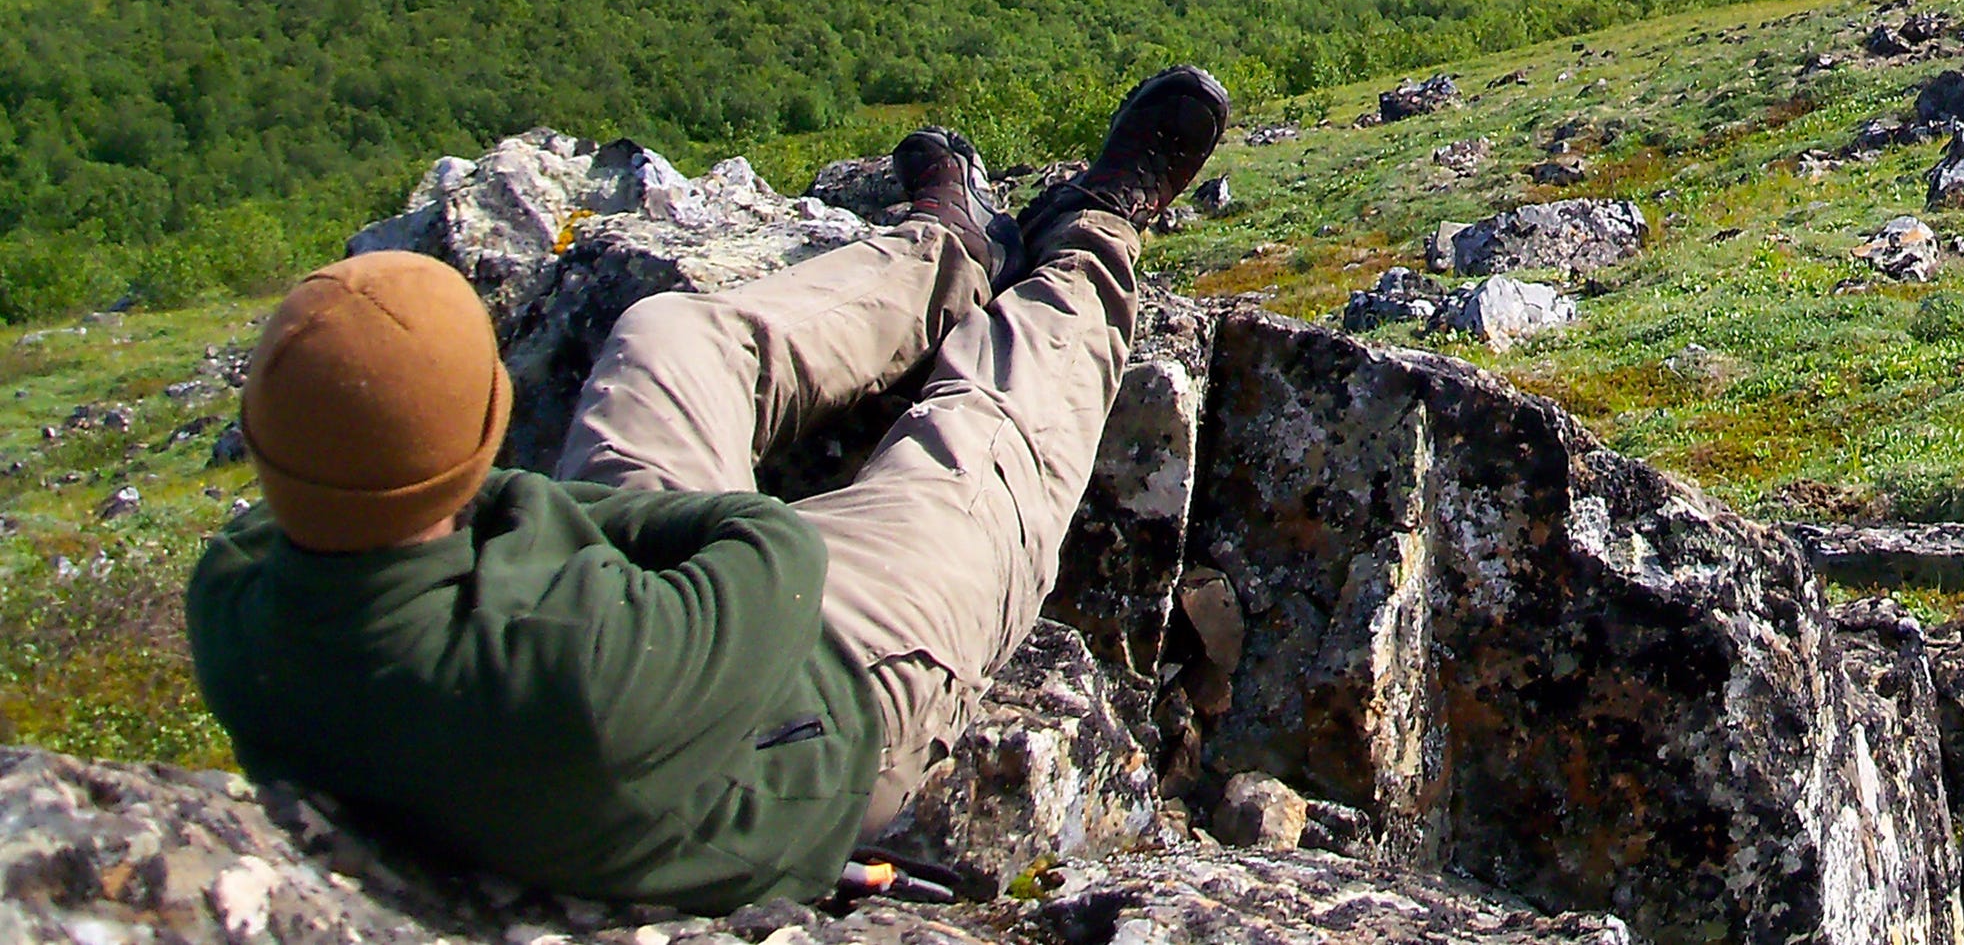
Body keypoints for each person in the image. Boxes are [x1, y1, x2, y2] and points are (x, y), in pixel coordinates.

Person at [185, 66, 1232, 915]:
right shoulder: (582, 665)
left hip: (619, 623)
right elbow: (767, 555)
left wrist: (552, 526)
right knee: (974, 449)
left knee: (666, 336)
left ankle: (943, 251)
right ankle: (1091, 243)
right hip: (805, 700)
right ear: (481, 447)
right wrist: (568, 517)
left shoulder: (237, 603)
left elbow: (567, 567)